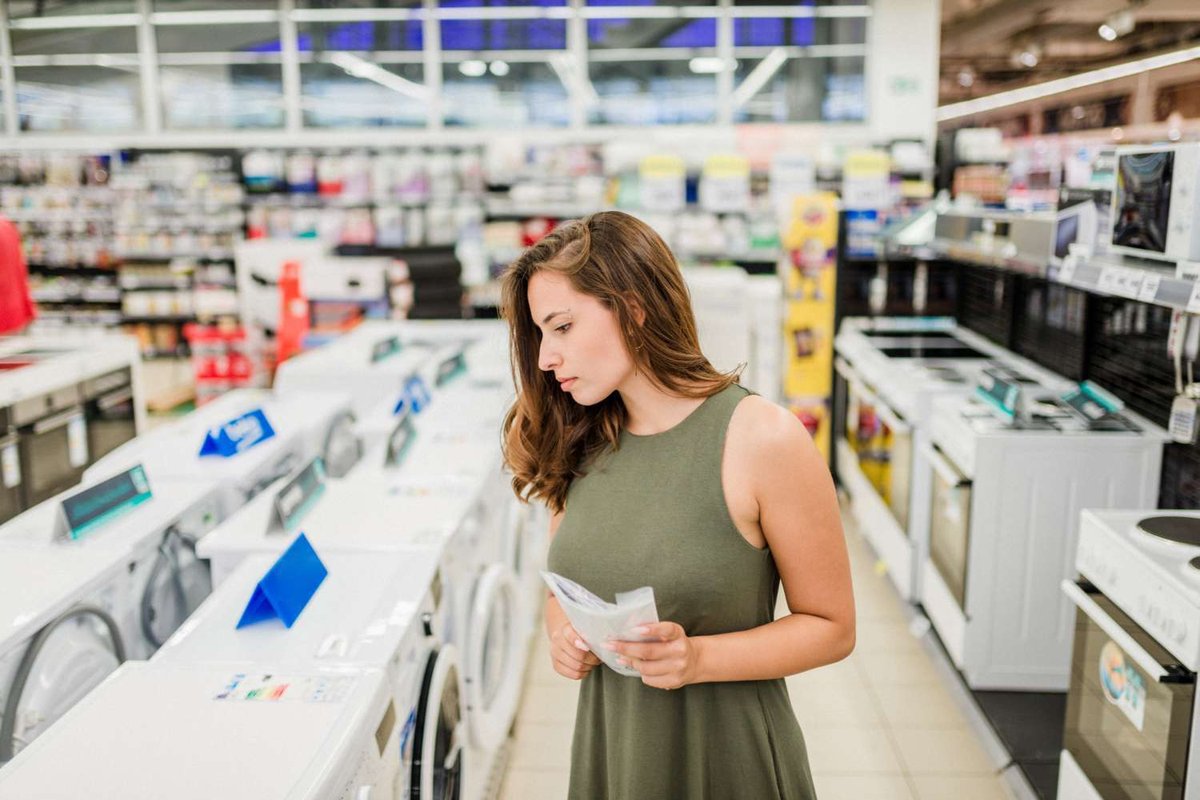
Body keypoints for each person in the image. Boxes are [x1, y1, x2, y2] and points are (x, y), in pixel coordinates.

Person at [500, 211, 855, 800]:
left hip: (726, 759)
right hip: (614, 751)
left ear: (634, 307)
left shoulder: (762, 438)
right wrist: (564, 631)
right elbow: (564, 589)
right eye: (540, 334)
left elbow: (833, 628)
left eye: (561, 327)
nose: (544, 359)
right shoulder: (580, 441)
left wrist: (698, 659)